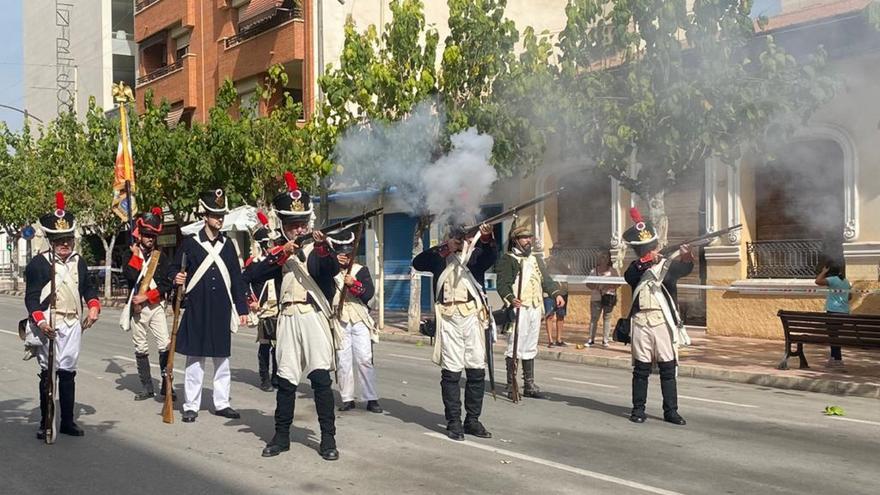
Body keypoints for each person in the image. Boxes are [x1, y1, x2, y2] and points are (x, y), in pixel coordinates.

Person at [243, 172, 340, 461]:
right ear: (284, 227)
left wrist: (321, 246)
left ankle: (328, 439)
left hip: (313, 315)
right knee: (285, 381)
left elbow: (330, 269)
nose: (298, 230)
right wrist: (281, 254)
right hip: (287, 318)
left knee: (321, 380)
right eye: (293, 226)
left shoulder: (319, 249)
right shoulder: (279, 253)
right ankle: (281, 435)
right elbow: (251, 274)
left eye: (302, 225)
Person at [24, 192, 100, 439]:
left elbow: (88, 287)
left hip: (72, 322)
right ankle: (46, 422)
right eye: (59, 239)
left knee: (68, 372)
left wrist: (94, 306)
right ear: (50, 240)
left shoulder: (78, 262)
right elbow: (32, 297)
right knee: (48, 373)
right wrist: (41, 321)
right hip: (49, 323)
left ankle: (67, 421)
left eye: (67, 238)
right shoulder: (38, 264)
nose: (64, 243)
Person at [171, 189, 249, 423]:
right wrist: (177, 277)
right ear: (205, 216)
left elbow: (236, 278)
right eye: (215, 214)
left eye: (222, 215)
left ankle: (222, 403)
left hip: (221, 308)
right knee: (195, 359)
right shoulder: (190, 244)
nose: (219, 219)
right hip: (197, 306)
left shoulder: (228, 246)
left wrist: (242, 308)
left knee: (222, 359)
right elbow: (174, 268)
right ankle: (191, 405)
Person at [413, 222, 496, 440]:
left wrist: (486, 238)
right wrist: (446, 248)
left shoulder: (476, 255)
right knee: (451, 373)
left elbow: (490, 257)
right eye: (457, 237)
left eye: (464, 237)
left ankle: (472, 420)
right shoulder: (439, 257)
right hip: (448, 319)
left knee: (476, 369)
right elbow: (418, 263)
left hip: (472, 317)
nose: (461, 241)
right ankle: (454, 421)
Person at [622, 208, 692, 425]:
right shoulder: (636, 268)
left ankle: (671, 411)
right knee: (641, 370)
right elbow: (630, 277)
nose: (649, 250)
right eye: (644, 249)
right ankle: (638, 410)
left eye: (650, 247)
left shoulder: (667, 265)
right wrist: (646, 261)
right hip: (641, 322)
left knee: (668, 369)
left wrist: (687, 254)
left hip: (663, 321)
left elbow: (685, 268)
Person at [495, 220, 564, 400]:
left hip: (535, 307)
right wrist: (511, 299)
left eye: (529, 237)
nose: (528, 240)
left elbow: (546, 280)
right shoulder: (508, 259)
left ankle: (529, 384)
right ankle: (512, 384)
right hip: (519, 308)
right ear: (515, 240)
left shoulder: (536, 259)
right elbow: (502, 284)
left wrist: (555, 293)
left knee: (530, 345)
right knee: (514, 346)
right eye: (524, 238)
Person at [326, 227, 382, 414]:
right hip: (339, 319)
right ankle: (347, 397)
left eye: (347, 254)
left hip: (359, 319)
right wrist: (333, 265)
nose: (345, 257)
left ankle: (371, 398)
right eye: (340, 254)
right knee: (343, 361)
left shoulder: (360, 270)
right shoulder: (330, 272)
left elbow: (368, 294)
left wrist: (353, 284)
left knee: (365, 359)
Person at [121, 207, 174, 401]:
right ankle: (146, 387)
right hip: (137, 309)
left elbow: (167, 283)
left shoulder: (161, 257)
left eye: (152, 236)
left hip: (155, 306)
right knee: (141, 347)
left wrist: (148, 296)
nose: (150, 239)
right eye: (146, 235)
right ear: (140, 235)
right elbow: (129, 276)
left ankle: (167, 384)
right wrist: (135, 256)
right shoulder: (130, 255)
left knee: (164, 344)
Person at [243, 210, 280, 392]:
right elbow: (244, 283)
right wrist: (251, 301)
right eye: (267, 243)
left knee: (279, 346)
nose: (270, 246)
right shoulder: (254, 263)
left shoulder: (281, 261)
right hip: (263, 308)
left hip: (280, 307)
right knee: (265, 345)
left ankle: (276, 377)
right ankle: (265, 377)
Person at [815, 260, 851, 368]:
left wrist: (823, 272)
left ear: (830, 271)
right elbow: (850, 297)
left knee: (833, 336)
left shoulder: (832, 280)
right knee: (834, 336)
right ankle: (833, 358)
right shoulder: (846, 281)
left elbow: (817, 281)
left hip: (833, 311)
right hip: (844, 311)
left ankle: (838, 360)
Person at [586, 249, 619, 348]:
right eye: (602, 257)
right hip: (596, 297)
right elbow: (588, 283)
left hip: (608, 296)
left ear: (609, 259)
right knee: (594, 318)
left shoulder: (613, 271)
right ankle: (591, 339)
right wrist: (596, 287)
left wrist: (608, 286)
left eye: (605, 257)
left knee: (607, 318)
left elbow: (618, 283)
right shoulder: (593, 271)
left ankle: (605, 340)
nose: (603, 259)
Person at [544, 253, 570, 347]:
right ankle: (550, 340)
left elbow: (569, 273)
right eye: (555, 250)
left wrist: (560, 264)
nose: (557, 253)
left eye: (559, 251)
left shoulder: (564, 263)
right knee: (549, 315)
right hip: (549, 293)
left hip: (562, 292)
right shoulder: (546, 261)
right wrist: (550, 262)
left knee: (561, 315)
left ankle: (559, 339)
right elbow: (543, 273)